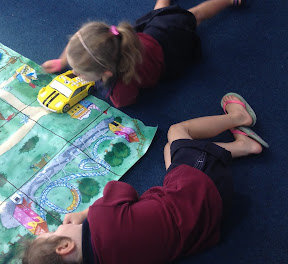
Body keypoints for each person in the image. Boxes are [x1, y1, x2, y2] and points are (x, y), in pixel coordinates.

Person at [21, 92, 268, 264]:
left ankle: (243, 146)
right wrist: (85, 214)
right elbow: (124, 191)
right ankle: (240, 118)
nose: (60, 226)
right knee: (177, 132)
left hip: (208, 229)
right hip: (205, 190)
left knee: (167, 153)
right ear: (65, 246)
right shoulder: (101, 217)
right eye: (55, 232)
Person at [41, 0, 247, 108]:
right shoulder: (117, 39)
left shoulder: (121, 85)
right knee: (186, 14)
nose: (75, 73)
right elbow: (78, 40)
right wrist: (62, 61)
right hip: (161, 29)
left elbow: (126, 103)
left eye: (79, 71)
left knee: (195, 18)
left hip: (173, 51)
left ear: (107, 72)